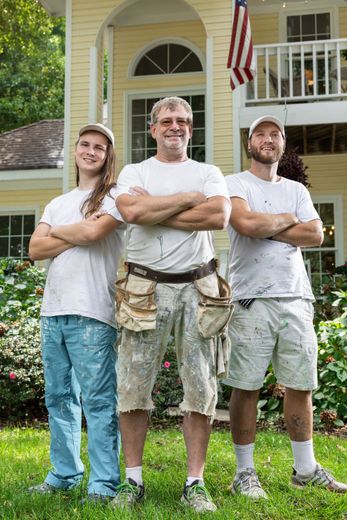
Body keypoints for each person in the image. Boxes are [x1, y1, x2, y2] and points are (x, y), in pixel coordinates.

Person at [111, 96, 231, 513]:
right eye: (167, 120)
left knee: (201, 386)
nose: (175, 126)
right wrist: (187, 199)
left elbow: (217, 215)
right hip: (144, 288)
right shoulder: (135, 171)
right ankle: (133, 481)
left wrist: (153, 210)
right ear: (153, 128)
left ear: (191, 129)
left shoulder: (209, 172)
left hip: (199, 288)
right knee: (132, 384)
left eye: (182, 121)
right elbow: (129, 209)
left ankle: (195, 483)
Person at [224, 115, 347, 498]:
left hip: (296, 297)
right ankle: (244, 473)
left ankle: (306, 468)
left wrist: (267, 225)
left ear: (282, 143)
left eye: (274, 134)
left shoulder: (296, 189)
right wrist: (285, 222)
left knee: (300, 384)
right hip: (251, 298)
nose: (267, 139)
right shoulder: (235, 184)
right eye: (260, 133)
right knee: (246, 386)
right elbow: (243, 223)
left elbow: (314, 232)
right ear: (249, 143)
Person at [28, 123, 125, 502]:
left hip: (93, 312)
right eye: (84, 144)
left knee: (100, 401)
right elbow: (35, 248)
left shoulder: (115, 196)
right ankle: (64, 473)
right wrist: (77, 229)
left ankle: (103, 483)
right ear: (75, 151)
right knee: (59, 397)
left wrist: (62, 236)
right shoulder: (58, 201)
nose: (90, 151)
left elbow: (93, 236)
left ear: (107, 155)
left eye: (99, 147)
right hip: (53, 311)